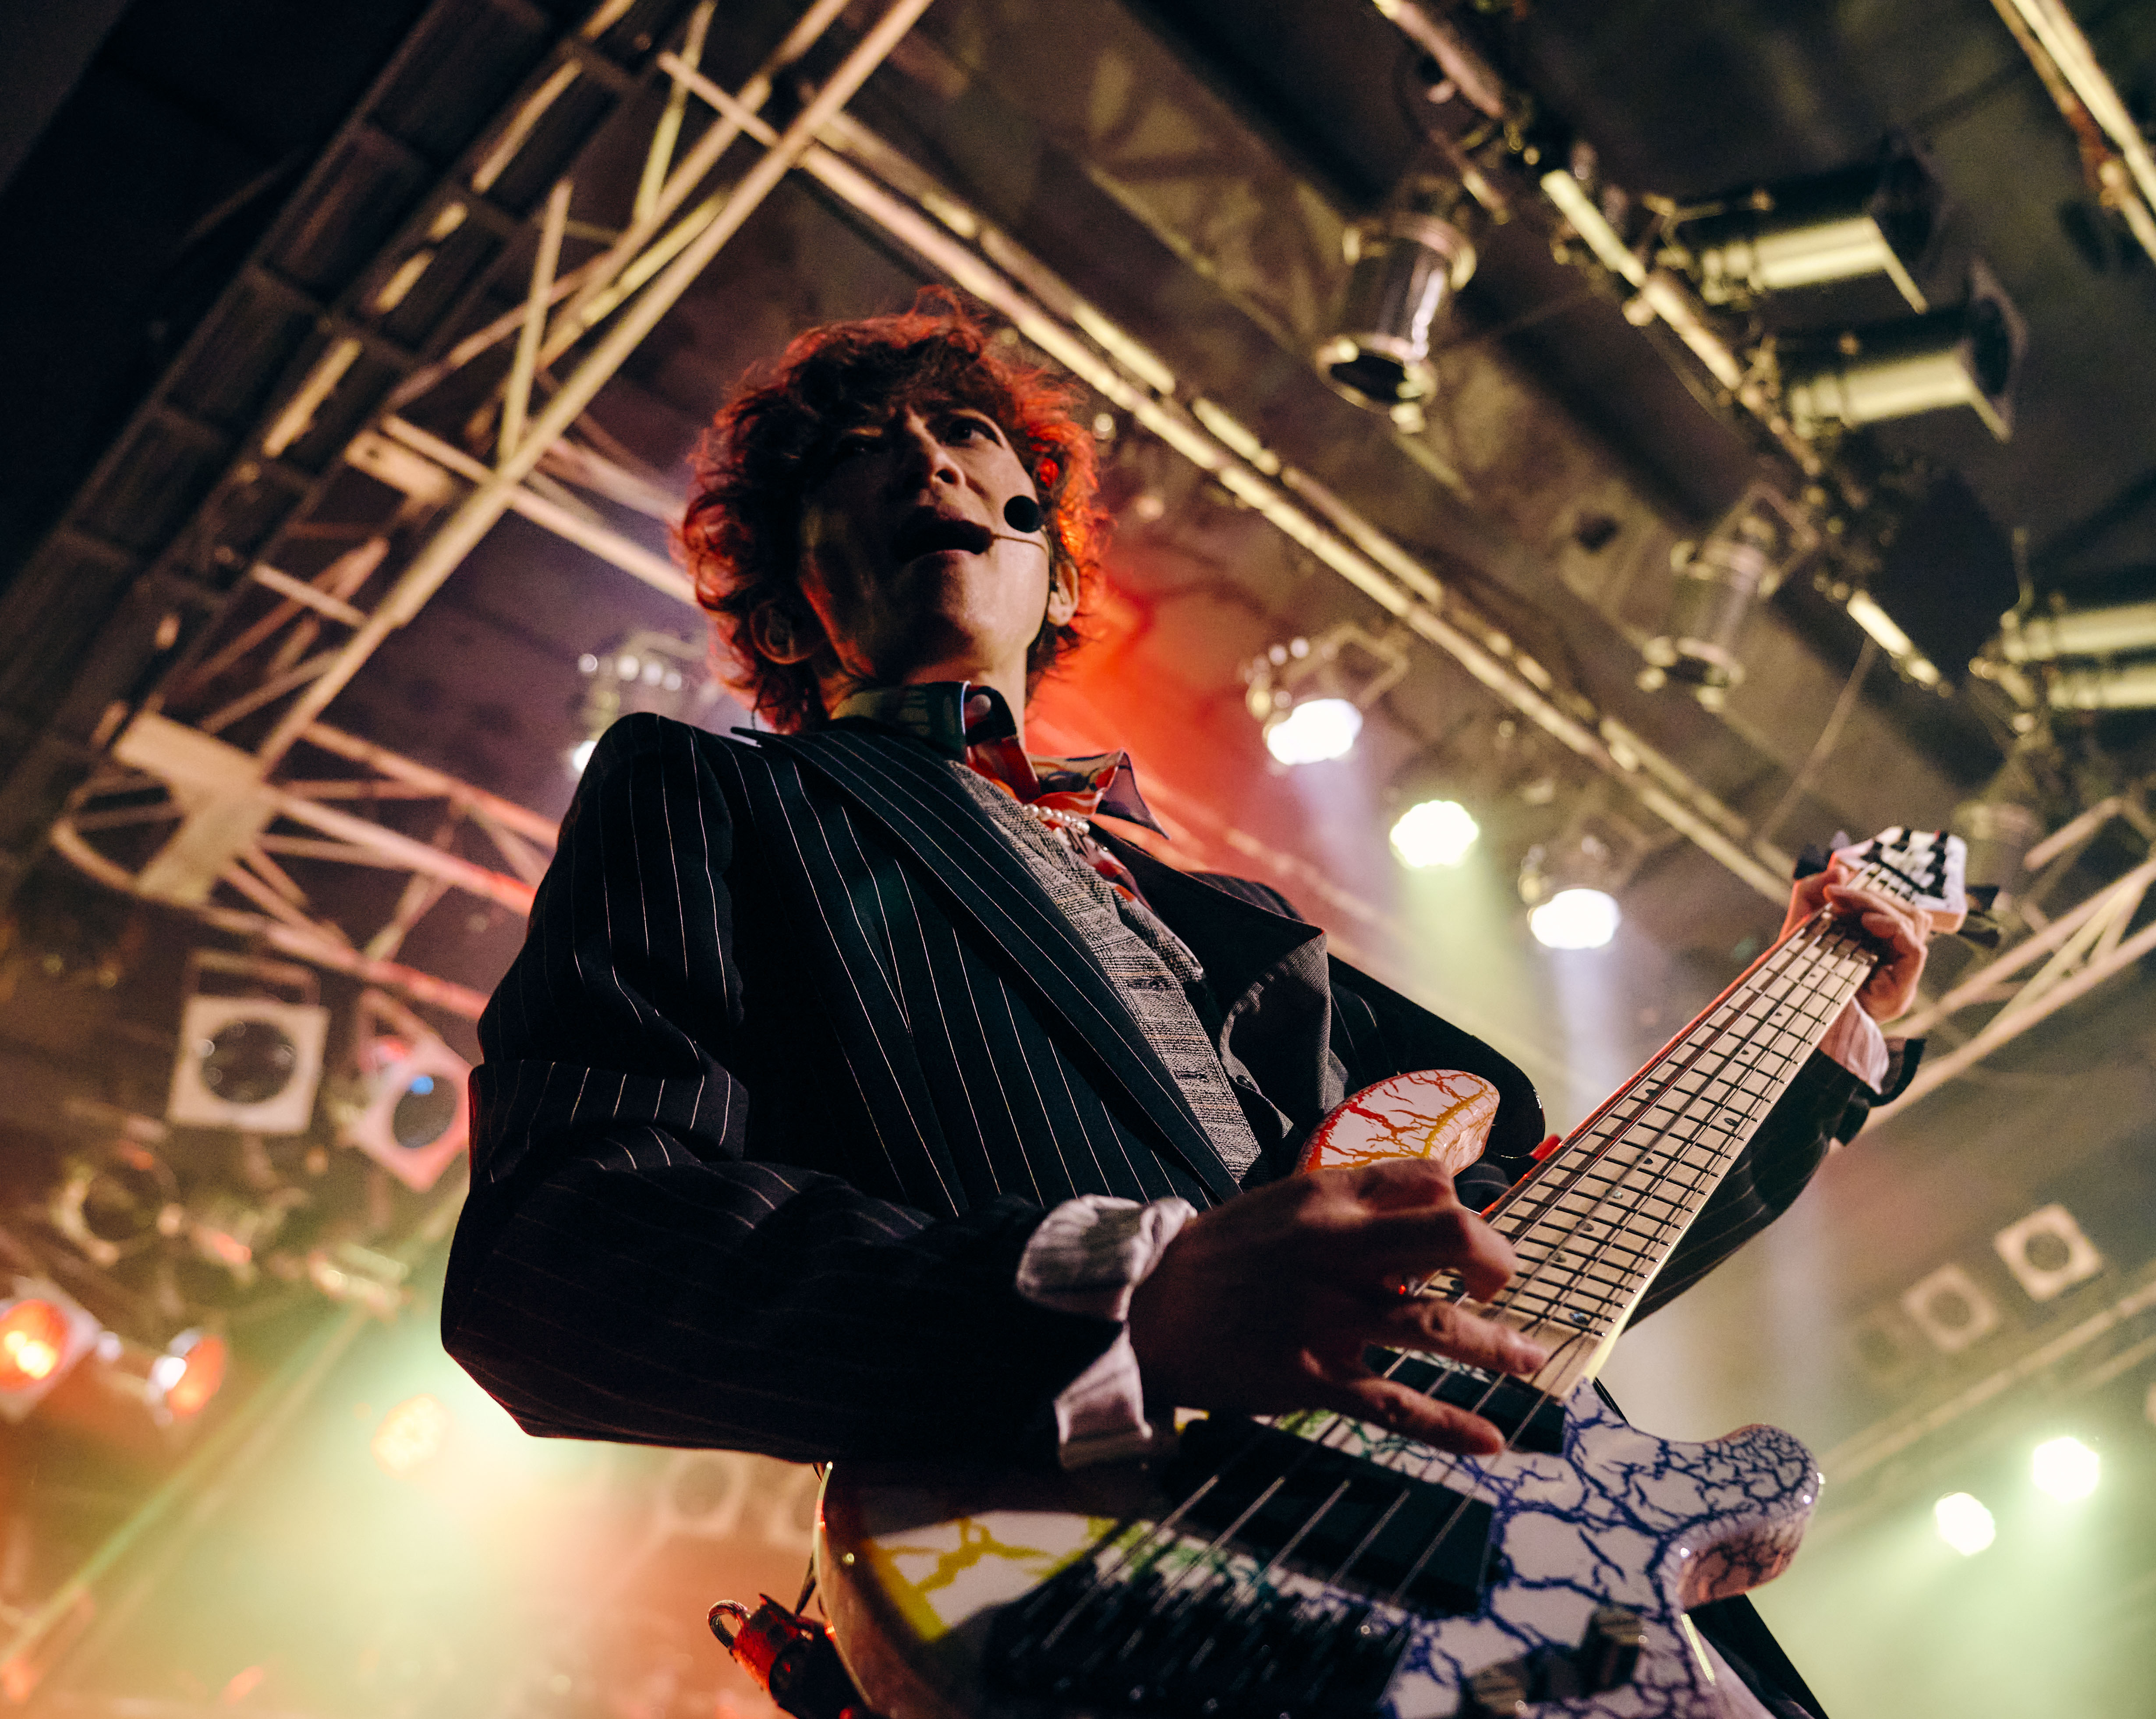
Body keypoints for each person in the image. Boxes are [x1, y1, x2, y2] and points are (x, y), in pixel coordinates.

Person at [439, 297, 1926, 1481]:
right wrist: (1122, 1296)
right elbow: (560, 1252)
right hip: (1122, 1580)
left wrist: (1810, 1035)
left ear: (1055, 573)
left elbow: (1519, 1271)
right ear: (785, 603)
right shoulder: (715, 796)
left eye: (965, 433)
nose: (927, 460)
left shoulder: (1236, 922)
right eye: (858, 455)